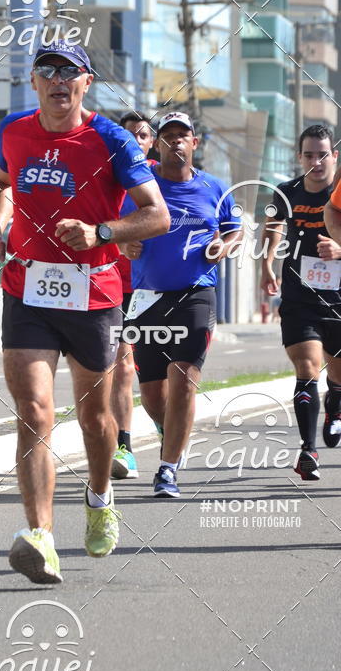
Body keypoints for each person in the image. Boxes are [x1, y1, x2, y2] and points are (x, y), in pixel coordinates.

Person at [0, 40, 170, 584]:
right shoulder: (14, 131)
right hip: (28, 289)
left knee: (96, 418)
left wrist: (100, 232)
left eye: (71, 73)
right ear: (34, 83)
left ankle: (100, 496)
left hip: (94, 293)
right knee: (35, 411)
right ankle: (40, 536)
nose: (58, 80)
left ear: (86, 84)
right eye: (47, 71)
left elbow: (157, 217)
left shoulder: (110, 140)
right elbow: (0, 181)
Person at [123, 111, 242, 497]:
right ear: (157, 144)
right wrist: (124, 243)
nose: (175, 141)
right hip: (147, 299)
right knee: (154, 396)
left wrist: (223, 246)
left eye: (182, 135)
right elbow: (116, 226)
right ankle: (169, 432)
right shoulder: (142, 187)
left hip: (196, 293)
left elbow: (236, 230)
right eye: (168, 135)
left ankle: (168, 469)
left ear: (195, 143)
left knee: (184, 380)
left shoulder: (215, 188)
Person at [261, 123, 341, 479]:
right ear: (299, 157)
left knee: (337, 377)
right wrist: (266, 264)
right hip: (299, 297)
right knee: (307, 367)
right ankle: (308, 451)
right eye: (309, 155)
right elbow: (272, 226)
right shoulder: (286, 191)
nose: (316, 162)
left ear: (334, 156)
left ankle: (335, 403)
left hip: (338, 299)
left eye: (323, 154)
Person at [111, 112, 157, 480]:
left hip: (157, 288)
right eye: (128, 135)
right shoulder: (103, 174)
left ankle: (164, 425)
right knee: (122, 367)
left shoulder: (163, 177)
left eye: (142, 135)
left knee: (160, 375)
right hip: (113, 285)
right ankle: (123, 447)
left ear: (151, 142)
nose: (135, 140)